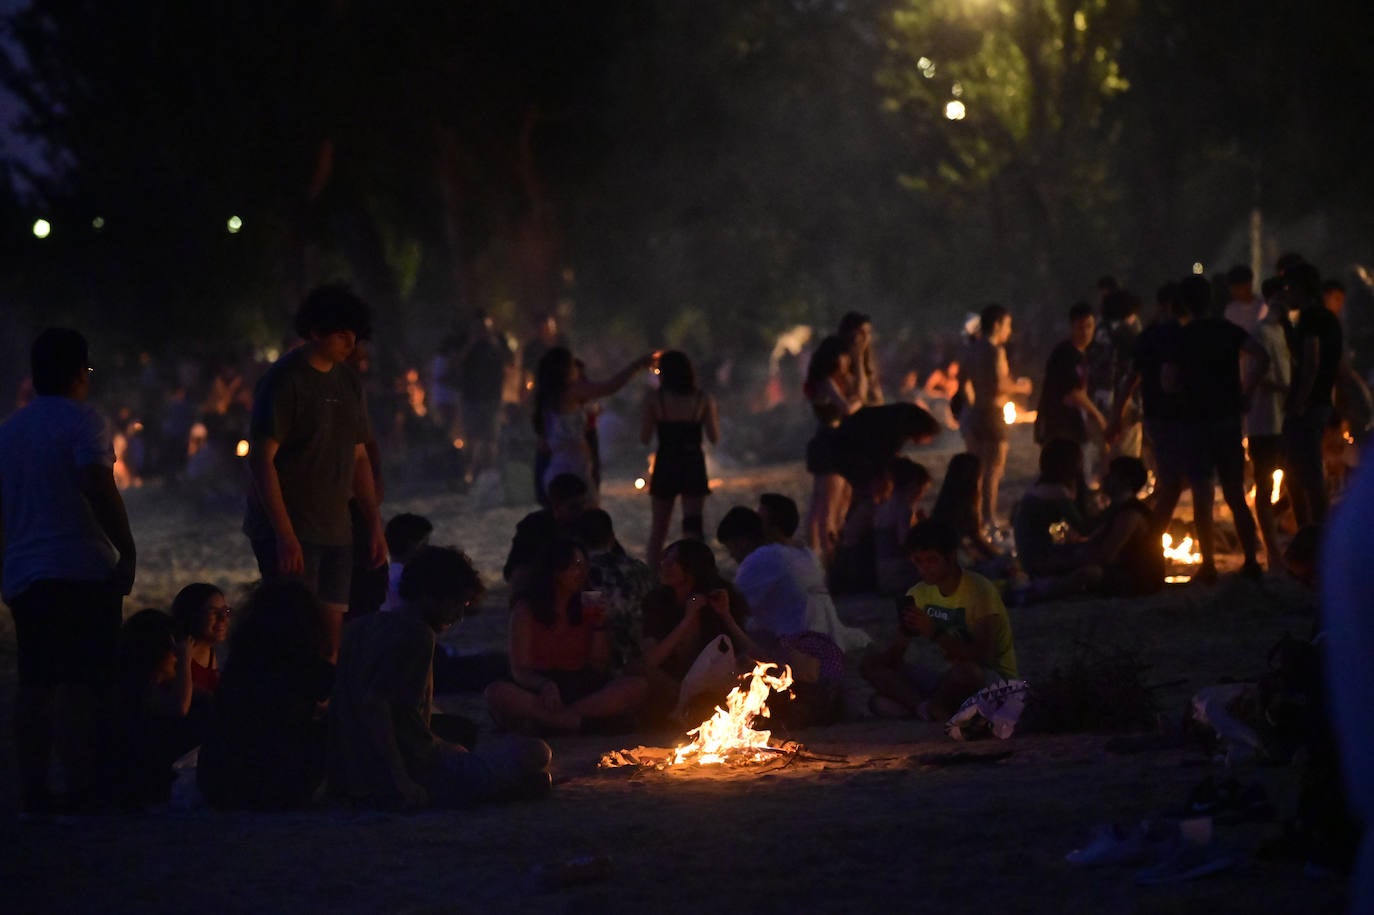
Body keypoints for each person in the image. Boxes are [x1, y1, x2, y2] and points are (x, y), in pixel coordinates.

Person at [1, 328, 136, 815]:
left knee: (35, 680)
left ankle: (33, 788)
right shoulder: (85, 422)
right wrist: (127, 548)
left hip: (27, 569)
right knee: (83, 682)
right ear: (80, 372)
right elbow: (99, 486)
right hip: (80, 565)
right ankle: (82, 785)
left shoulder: (10, 431)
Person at [332, 547, 552, 810]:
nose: (459, 616)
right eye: (457, 603)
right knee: (536, 753)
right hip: (412, 771)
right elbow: (375, 707)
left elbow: (383, 712)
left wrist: (442, 745)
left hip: (352, 771)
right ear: (431, 596)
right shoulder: (417, 635)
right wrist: (401, 781)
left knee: (459, 734)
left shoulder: (360, 626)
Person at [244, 285, 386, 661]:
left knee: (331, 636)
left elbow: (359, 458)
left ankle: (324, 710)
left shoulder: (348, 381)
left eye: (354, 334)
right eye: (342, 333)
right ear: (319, 330)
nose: (350, 342)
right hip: (291, 528)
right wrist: (284, 534)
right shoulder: (284, 380)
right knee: (294, 634)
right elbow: (262, 461)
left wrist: (373, 524)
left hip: (336, 527)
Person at [197, 579, 336, 810]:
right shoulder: (300, 659)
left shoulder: (241, 658)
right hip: (271, 785)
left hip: (217, 782)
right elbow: (338, 687)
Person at [862, 519, 1018, 721]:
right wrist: (895, 646)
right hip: (940, 680)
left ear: (951, 557)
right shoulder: (917, 593)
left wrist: (934, 632)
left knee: (966, 673)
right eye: (918, 561)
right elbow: (895, 656)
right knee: (870, 663)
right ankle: (926, 708)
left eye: (931, 560)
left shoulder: (979, 591)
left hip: (984, 679)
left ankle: (926, 707)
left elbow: (984, 656)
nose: (924, 568)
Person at [485, 540, 648, 733]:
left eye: (584, 566)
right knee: (496, 693)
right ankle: (582, 725)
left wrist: (599, 626)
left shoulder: (587, 604)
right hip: (540, 684)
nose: (582, 572)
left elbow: (598, 664)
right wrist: (545, 685)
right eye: (575, 566)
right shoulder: (526, 609)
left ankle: (555, 721)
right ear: (555, 570)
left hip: (580, 683)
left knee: (637, 686)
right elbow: (519, 668)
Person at [1167, 274, 1268, 580]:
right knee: (1236, 493)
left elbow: (1168, 380)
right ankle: (1251, 560)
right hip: (1227, 419)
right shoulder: (1227, 330)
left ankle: (1208, 564)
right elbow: (1261, 356)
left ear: (1185, 304)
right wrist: (1247, 392)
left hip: (1195, 422)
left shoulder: (1181, 338)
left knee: (1202, 493)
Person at [637, 539, 753, 722]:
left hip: (714, 679)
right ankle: (688, 709)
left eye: (672, 562)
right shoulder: (657, 601)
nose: (664, 566)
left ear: (692, 567)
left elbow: (751, 653)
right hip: (673, 683)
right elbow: (650, 661)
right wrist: (687, 620)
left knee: (747, 665)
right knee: (641, 673)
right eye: (664, 560)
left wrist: (726, 616)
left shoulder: (718, 599)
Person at [533, 346, 653, 502]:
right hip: (573, 469)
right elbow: (609, 387)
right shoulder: (570, 392)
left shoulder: (547, 398)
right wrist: (637, 366)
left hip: (557, 468)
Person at [755, 493, 872, 651]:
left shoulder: (769, 555)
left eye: (760, 519)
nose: (756, 524)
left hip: (798, 637)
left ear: (773, 526)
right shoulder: (807, 553)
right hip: (819, 628)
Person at [111, 609, 200, 808]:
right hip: (145, 781)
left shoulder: (143, 684)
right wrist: (185, 661)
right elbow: (179, 708)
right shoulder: (139, 688)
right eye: (172, 647)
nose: (176, 655)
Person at [641, 350, 720, 565]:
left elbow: (644, 437)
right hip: (692, 460)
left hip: (666, 460)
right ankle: (695, 573)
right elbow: (714, 437)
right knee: (693, 525)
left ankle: (653, 576)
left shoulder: (655, 399)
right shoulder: (703, 398)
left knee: (659, 528)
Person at [1283, 264, 1343, 526]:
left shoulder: (1311, 319)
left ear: (1300, 289)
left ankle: (1314, 534)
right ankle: (1312, 534)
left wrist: (1299, 402)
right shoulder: (1329, 318)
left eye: (1289, 289)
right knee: (1307, 470)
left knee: (1305, 471)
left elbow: (1311, 362)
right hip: (1321, 402)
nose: (1287, 295)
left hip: (1309, 405)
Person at [1012, 438, 1102, 599]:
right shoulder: (1056, 492)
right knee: (1093, 569)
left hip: (1028, 557)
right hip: (1038, 561)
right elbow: (1084, 528)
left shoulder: (1039, 486)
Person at [963, 305, 1028, 526]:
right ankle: (989, 517)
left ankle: (976, 517)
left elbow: (965, 384)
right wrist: (1021, 387)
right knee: (993, 469)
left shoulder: (971, 349)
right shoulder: (995, 351)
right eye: (1007, 325)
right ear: (998, 324)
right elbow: (999, 385)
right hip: (992, 415)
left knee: (977, 470)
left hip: (975, 415)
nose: (1009, 331)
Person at [802, 335, 861, 557]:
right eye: (844, 359)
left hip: (829, 442)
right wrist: (860, 400)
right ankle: (825, 555)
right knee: (826, 506)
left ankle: (820, 553)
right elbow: (846, 408)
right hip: (829, 443)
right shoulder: (825, 381)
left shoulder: (825, 380)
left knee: (824, 503)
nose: (846, 364)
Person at [1247, 286, 1293, 569]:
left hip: (1283, 419)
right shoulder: (1260, 333)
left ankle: (1280, 545)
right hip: (1263, 421)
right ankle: (1273, 555)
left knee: (1293, 482)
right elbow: (1255, 376)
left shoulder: (1283, 332)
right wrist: (1287, 388)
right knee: (1264, 488)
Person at [576, 508, 654, 670]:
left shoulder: (577, 576)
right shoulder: (639, 569)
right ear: (611, 536)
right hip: (645, 652)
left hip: (601, 660)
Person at [1035, 302, 1106, 460]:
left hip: (1073, 426)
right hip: (1060, 427)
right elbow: (1074, 392)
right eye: (1081, 327)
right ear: (1071, 327)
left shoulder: (1082, 354)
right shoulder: (1065, 354)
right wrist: (1098, 417)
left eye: (1089, 326)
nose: (1086, 332)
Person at [1084, 457, 1163, 597]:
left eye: (1110, 474)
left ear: (1125, 481)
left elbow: (1107, 555)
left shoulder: (1130, 513)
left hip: (1138, 581)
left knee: (1089, 573)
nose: (1105, 478)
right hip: (1124, 573)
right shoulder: (1116, 508)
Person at [502, 472, 589, 588]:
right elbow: (512, 573)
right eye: (574, 507)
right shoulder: (533, 527)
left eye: (584, 505)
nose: (581, 512)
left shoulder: (588, 524)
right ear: (557, 506)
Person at [929, 452, 1008, 576]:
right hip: (955, 564)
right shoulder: (965, 506)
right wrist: (1000, 557)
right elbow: (977, 541)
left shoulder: (945, 500)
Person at [457, 310, 511, 485]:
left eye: (485, 327)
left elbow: (510, 364)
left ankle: (488, 475)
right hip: (470, 397)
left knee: (490, 439)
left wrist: (495, 344)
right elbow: (455, 364)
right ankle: (468, 474)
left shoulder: (498, 341)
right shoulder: (465, 341)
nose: (482, 331)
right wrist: (470, 344)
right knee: (470, 438)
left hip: (492, 397)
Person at [873, 458, 931, 595]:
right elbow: (905, 543)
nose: (922, 495)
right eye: (923, 490)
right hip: (901, 577)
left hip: (883, 577)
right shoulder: (905, 509)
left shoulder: (882, 507)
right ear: (913, 486)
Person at [169, 583, 230, 699]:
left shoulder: (213, 651)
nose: (223, 618)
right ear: (192, 615)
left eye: (225, 611)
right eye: (213, 612)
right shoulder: (174, 653)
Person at [379, 512, 434, 612]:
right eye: (425, 543)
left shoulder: (380, 575)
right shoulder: (414, 580)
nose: (428, 548)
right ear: (412, 545)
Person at [837, 311, 884, 406]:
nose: (866, 337)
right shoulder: (839, 362)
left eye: (868, 332)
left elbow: (878, 400)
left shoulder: (868, 362)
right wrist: (858, 358)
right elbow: (860, 396)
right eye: (861, 332)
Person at [1224, 264, 1268, 335]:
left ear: (1249, 285)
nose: (1234, 292)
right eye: (1232, 289)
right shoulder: (1230, 310)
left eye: (1237, 288)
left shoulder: (1263, 306)